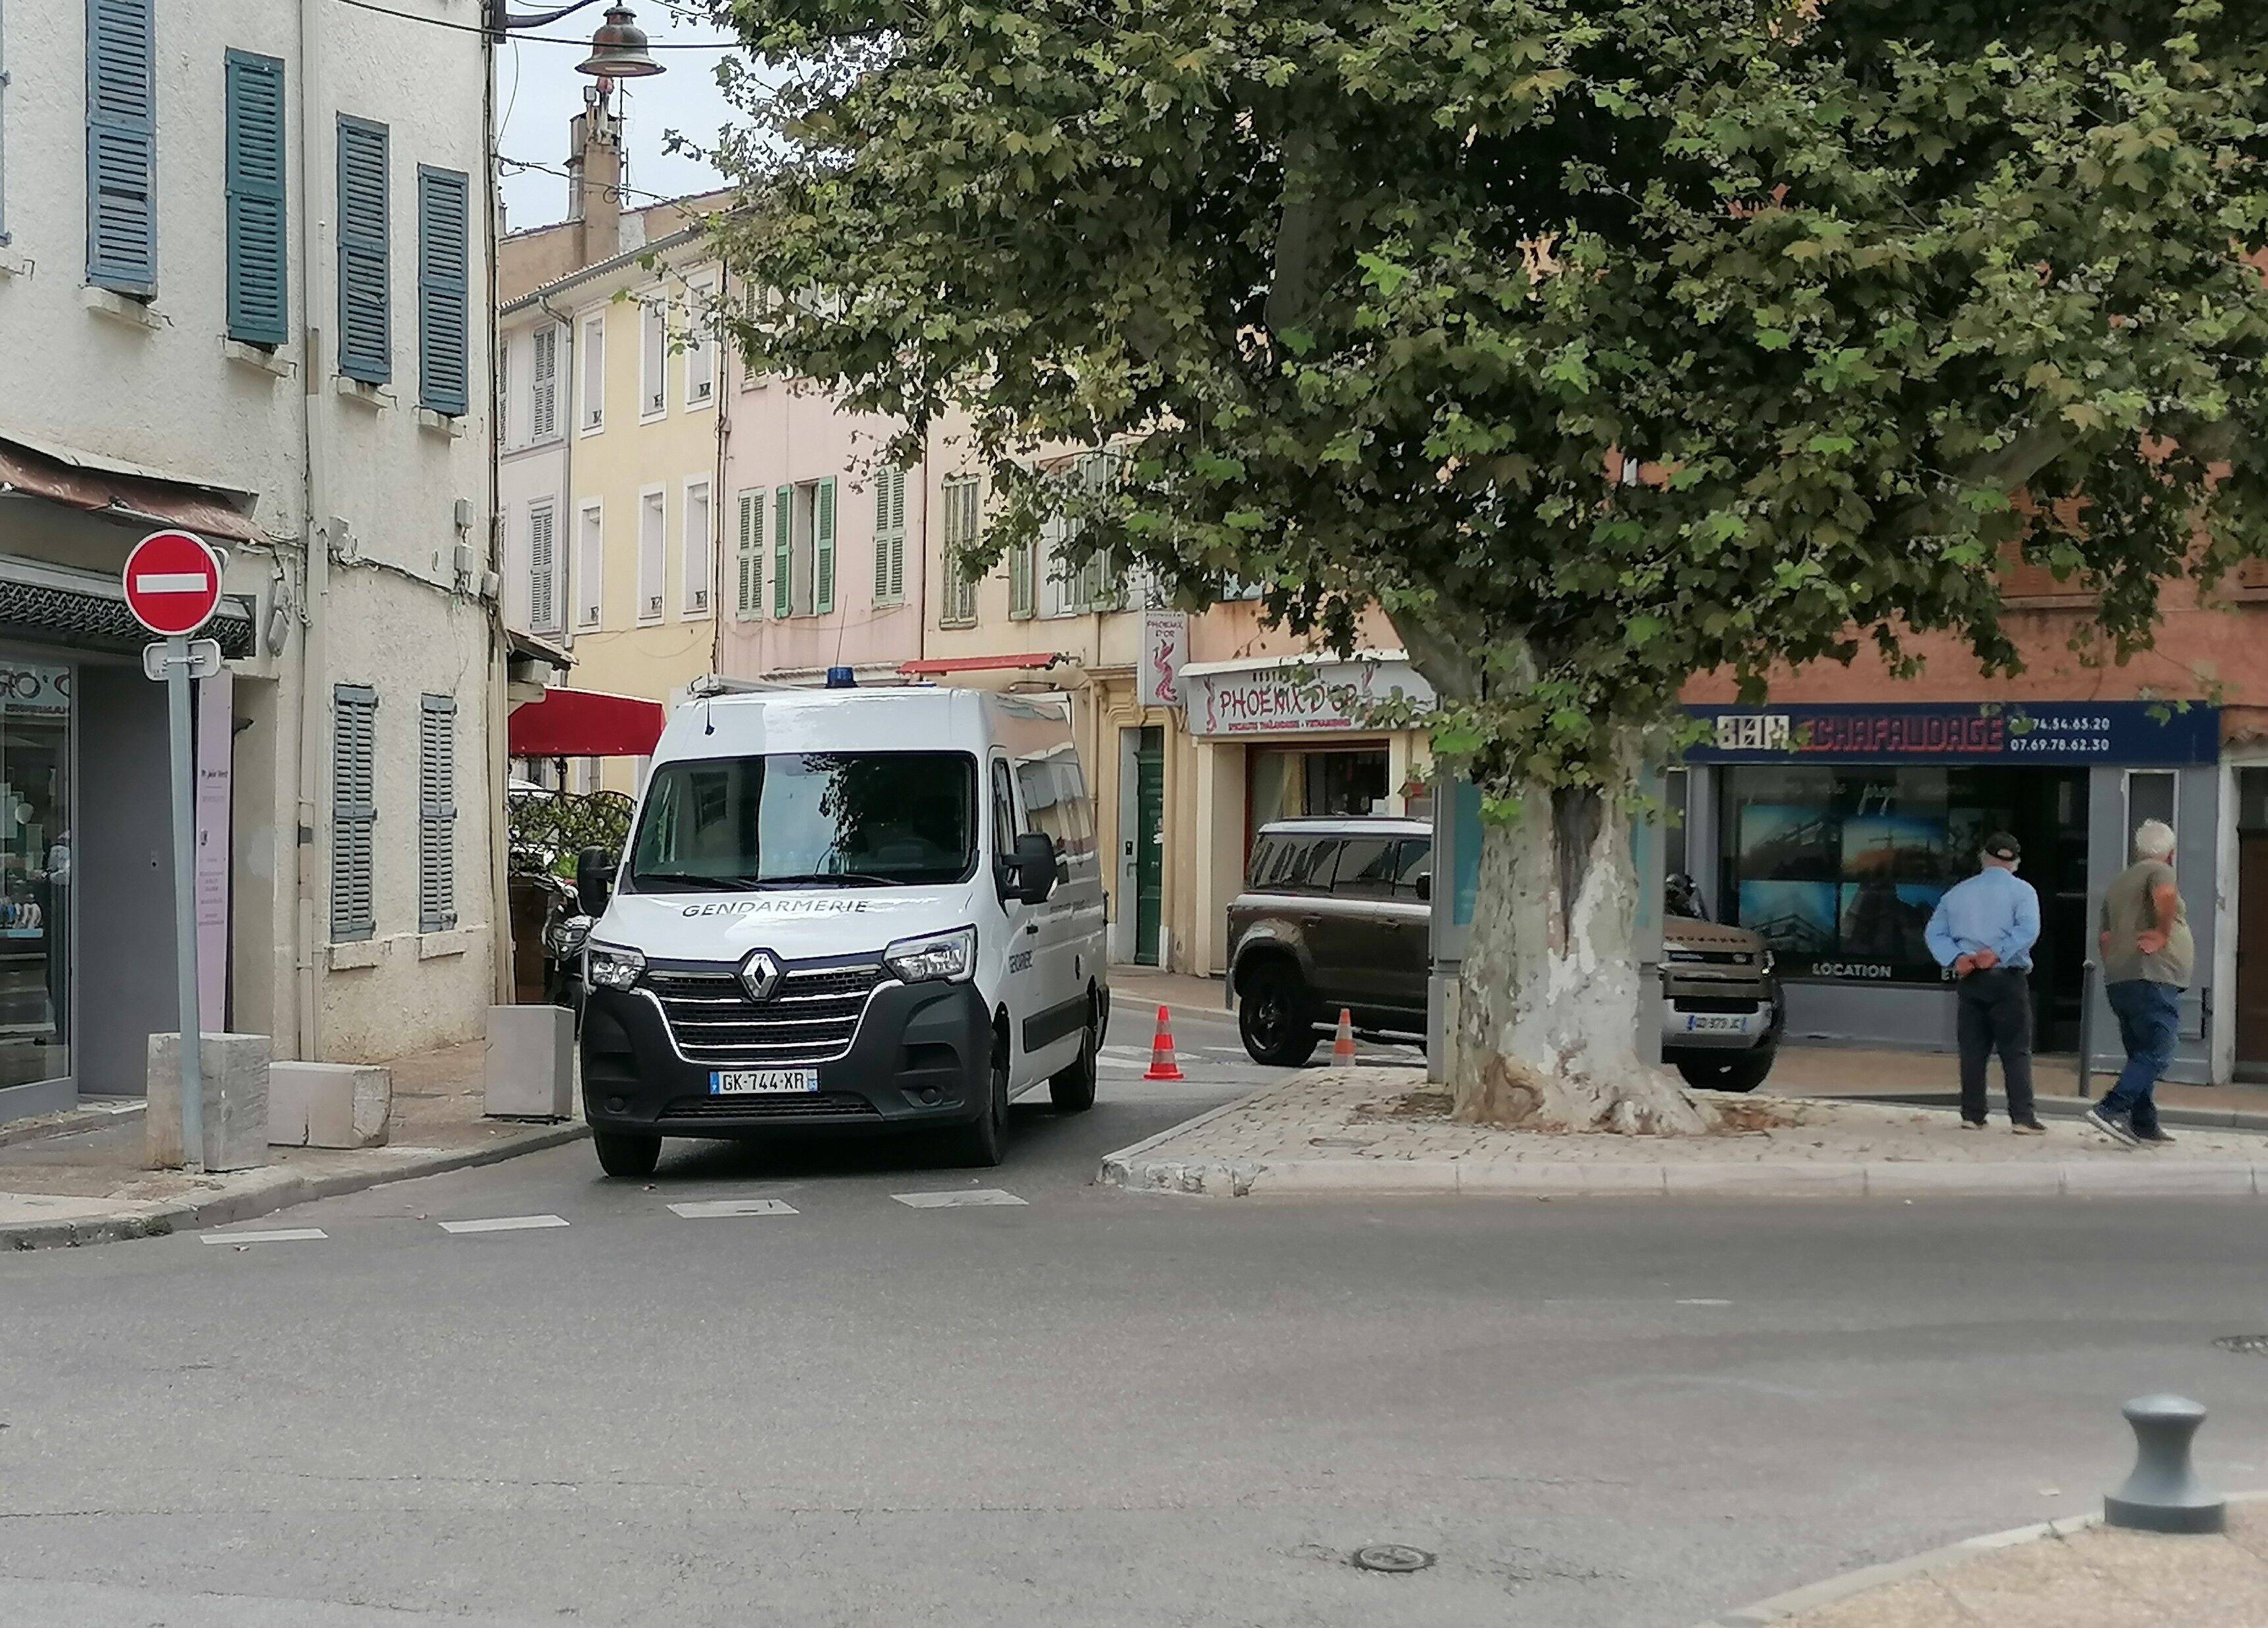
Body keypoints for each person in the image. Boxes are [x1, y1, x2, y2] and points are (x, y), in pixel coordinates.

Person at [1924, 832, 2046, 1133]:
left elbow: (1934, 933)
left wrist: (1955, 959)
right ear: (2015, 863)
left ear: (1983, 857)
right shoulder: (2024, 892)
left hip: (1970, 977)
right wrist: (1998, 953)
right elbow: (2029, 930)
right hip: (2007, 977)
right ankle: (2022, 1118)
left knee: (1973, 1050)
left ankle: (1973, 1114)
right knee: (2015, 1050)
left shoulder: (1957, 893)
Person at [2085, 819, 2192, 1147]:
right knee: (2160, 1049)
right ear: (2170, 853)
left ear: (2137, 850)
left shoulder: (2119, 883)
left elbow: (2105, 936)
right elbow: (2165, 893)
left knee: (2140, 1054)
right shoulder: (2159, 872)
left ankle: (2144, 1124)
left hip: (2122, 979)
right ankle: (2111, 1108)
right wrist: (2162, 934)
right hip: (2152, 976)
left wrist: (2117, 963)